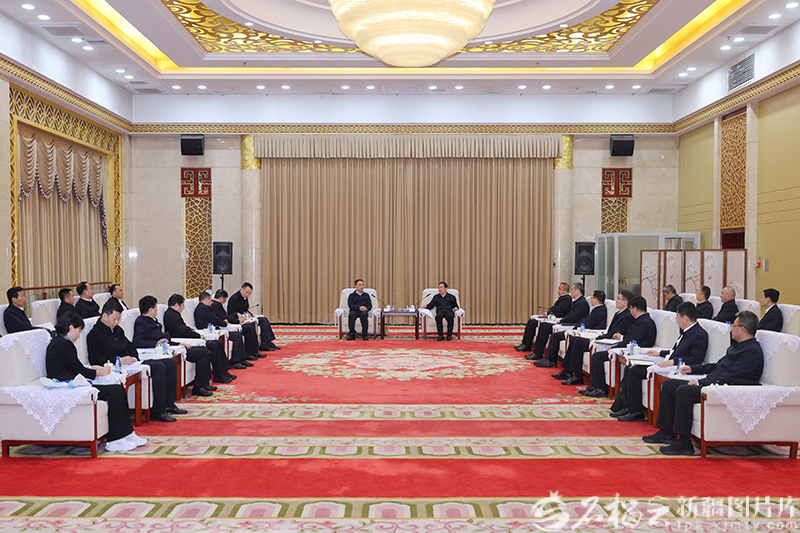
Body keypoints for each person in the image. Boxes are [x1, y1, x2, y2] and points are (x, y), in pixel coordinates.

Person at [643, 311, 763, 456]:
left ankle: (684, 443)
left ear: (742, 329)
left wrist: (701, 382)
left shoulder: (752, 352)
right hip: (716, 384)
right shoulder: (736, 347)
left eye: (734, 326)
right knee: (670, 384)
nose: (731, 329)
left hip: (726, 390)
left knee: (684, 391)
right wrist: (693, 368)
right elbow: (717, 366)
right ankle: (666, 432)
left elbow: (730, 376)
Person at [46, 312, 147, 452]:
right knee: (116, 392)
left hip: (71, 382)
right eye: (78, 330)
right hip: (67, 386)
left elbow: (73, 367)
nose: (78, 335)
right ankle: (115, 439)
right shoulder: (64, 344)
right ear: (70, 328)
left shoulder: (60, 342)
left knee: (117, 390)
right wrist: (99, 372)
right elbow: (78, 370)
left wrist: (92, 369)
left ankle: (127, 433)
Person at [611, 301, 708, 421]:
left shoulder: (699, 334)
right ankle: (627, 406)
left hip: (678, 368)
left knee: (634, 372)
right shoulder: (687, 331)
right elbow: (676, 350)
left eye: (678, 317)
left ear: (685, 318)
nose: (677, 320)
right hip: (669, 362)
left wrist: (673, 361)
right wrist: (660, 353)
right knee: (630, 368)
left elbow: (695, 359)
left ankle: (635, 411)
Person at [88, 299, 181, 422]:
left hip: (131, 364)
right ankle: (158, 412)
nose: (116, 322)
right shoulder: (94, 334)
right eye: (114, 319)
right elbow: (95, 360)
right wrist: (119, 360)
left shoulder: (117, 330)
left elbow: (130, 346)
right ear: (104, 316)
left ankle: (169, 404)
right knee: (159, 367)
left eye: (118, 319)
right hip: (115, 367)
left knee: (170, 363)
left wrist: (134, 358)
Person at [132, 295, 215, 398]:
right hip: (159, 351)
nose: (157, 310)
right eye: (156, 307)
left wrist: (178, 344)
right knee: (201, 353)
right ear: (150, 309)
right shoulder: (141, 322)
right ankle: (198, 388)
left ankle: (202, 385)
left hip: (170, 346)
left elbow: (165, 338)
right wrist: (156, 343)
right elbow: (137, 342)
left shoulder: (153, 320)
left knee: (203, 351)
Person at [581, 296, 657, 398]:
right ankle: (594, 386)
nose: (630, 311)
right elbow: (630, 337)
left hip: (638, 351)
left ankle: (600, 388)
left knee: (598, 357)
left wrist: (615, 347)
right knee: (598, 356)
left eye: (631, 308)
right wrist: (621, 338)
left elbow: (632, 340)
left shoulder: (643, 322)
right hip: (630, 347)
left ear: (635, 309)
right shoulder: (641, 320)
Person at [555, 290, 635, 386]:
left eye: (618, 298)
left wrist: (598, 339)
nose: (616, 301)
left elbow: (614, 334)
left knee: (578, 342)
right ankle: (568, 371)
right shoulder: (619, 313)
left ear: (625, 302)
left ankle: (577, 376)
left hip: (611, 342)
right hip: (605, 338)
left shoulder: (627, 316)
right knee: (575, 339)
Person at [163, 293, 235, 384]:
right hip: (183, 340)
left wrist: (192, 331)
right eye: (182, 306)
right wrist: (197, 335)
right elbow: (183, 331)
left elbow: (184, 328)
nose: (182, 308)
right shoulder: (171, 315)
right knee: (212, 345)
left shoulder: (174, 314)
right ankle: (218, 375)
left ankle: (223, 371)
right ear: (177, 305)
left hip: (187, 338)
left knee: (218, 343)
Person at [529, 282, 591, 366]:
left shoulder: (581, 303)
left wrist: (561, 320)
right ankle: (538, 353)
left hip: (572, 325)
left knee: (551, 331)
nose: (571, 292)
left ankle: (550, 360)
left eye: (572, 290)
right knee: (544, 326)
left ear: (578, 291)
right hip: (568, 322)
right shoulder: (576, 301)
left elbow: (572, 317)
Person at [195, 291, 251, 369]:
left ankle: (241, 359)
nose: (211, 303)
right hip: (209, 332)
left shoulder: (199, 307)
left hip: (210, 330)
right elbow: (215, 319)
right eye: (210, 300)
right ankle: (236, 361)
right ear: (206, 299)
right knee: (237, 336)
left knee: (237, 335)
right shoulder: (205, 308)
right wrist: (224, 322)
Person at [514, 282, 572, 352]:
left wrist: (548, 313)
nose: (558, 291)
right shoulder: (562, 298)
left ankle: (529, 346)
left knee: (540, 325)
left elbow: (559, 310)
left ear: (565, 291)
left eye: (560, 289)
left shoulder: (566, 299)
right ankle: (525, 343)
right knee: (531, 322)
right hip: (552, 317)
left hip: (556, 319)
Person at [227, 282, 280, 352]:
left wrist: (251, 315)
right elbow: (231, 312)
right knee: (253, 324)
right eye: (247, 292)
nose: (248, 295)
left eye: (249, 293)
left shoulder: (245, 298)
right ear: (242, 289)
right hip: (239, 319)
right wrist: (239, 315)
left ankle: (268, 342)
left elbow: (245, 309)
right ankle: (263, 345)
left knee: (264, 319)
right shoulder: (234, 298)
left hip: (246, 317)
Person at [212, 289, 261, 360]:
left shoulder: (217, 304)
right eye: (224, 300)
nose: (224, 302)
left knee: (249, 327)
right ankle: (248, 354)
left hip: (226, 324)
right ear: (221, 298)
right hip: (221, 327)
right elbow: (224, 317)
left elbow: (226, 316)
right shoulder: (215, 305)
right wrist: (238, 320)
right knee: (247, 329)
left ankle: (252, 352)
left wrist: (236, 315)